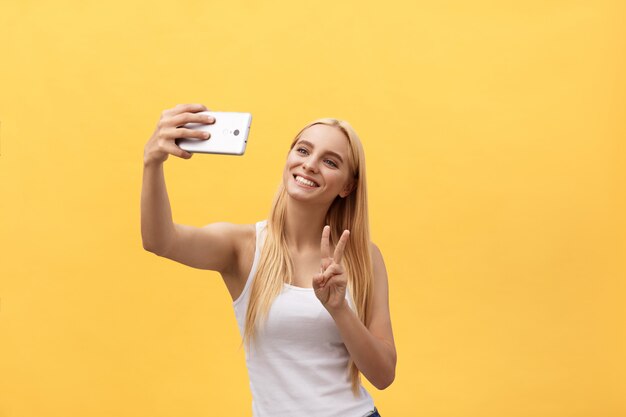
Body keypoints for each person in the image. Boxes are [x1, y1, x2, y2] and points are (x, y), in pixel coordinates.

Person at [141, 103, 396, 417]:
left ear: (348, 185)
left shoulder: (363, 257)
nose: (311, 164)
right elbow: (160, 241)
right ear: (289, 158)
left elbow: (384, 375)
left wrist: (339, 308)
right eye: (303, 151)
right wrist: (152, 162)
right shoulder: (243, 247)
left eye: (330, 161)